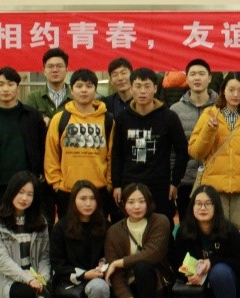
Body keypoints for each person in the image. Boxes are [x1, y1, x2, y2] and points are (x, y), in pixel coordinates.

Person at [169, 185, 240, 298]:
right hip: (197, 289)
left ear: (216, 206)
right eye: (198, 203)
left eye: (208, 203)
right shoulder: (183, 231)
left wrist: (212, 262)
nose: (203, 208)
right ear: (192, 207)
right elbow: (176, 264)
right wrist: (187, 275)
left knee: (219, 271)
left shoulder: (229, 231)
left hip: (225, 286)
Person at [187, 72, 240, 236]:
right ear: (223, 91)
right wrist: (209, 130)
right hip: (213, 188)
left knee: (238, 237)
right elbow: (195, 152)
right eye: (231, 90)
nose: (236, 95)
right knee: (213, 234)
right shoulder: (209, 114)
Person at [111, 67, 189, 222]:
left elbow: (182, 151)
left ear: (155, 88)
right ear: (131, 88)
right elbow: (116, 153)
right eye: (138, 86)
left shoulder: (169, 117)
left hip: (160, 185)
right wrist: (116, 184)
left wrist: (175, 182)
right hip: (129, 183)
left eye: (147, 86)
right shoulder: (122, 118)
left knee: (161, 225)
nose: (142, 91)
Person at [103, 184, 170, 298]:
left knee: (142, 266)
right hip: (129, 286)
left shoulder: (160, 221)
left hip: (153, 285)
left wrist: (120, 262)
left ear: (148, 202)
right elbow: (116, 275)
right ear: (123, 204)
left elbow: (153, 253)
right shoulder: (114, 231)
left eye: (141, 201)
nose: (137, 206)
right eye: (131, 202)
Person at [45, 68, 115, 218]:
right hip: (67, 191)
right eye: (79, 86)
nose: (84, 90)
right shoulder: (59, 119)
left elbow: (112, 156)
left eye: (89, 86)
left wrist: (109, 184)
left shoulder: (108, 120)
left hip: (99, 191)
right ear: (71, 90)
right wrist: (57, 185)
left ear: (95, 90)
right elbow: (51, 155)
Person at [0, 66, 46, 210]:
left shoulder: (32, 116)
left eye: (10, 84)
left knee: (30, 220)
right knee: (2, 220)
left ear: (17, 87)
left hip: (29, 183)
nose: (5, 89)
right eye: (0, 84)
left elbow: (44, 147)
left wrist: (42, 176)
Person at [49, 180, 112, 298]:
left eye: (92, 198)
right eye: (83, 199)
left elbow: (111, 254)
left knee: (99, 287)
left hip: (96, 283)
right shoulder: (61, 228)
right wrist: (84, 274)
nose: (88, 203)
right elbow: (57, 264)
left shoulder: (105, 225)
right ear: (73, 201)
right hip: (69, 287)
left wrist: (103, 263)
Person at [171, 58, 218, 216]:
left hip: (214, 180)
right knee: (187, 226)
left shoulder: (221, 108)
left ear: (209, 78)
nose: (197, 78)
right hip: (185, 180)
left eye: (201, 74)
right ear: (187, 78)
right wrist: (173, 180)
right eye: (193, 74)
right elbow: (172, 150)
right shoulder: (175, 110)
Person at [24, 46, 71, 123]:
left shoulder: (75, 97)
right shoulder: (33, 97)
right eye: (50, 66)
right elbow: (30, 124)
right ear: (44, 71)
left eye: (59, 66)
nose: (55, 70)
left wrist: (47, 122)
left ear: (67, 70)